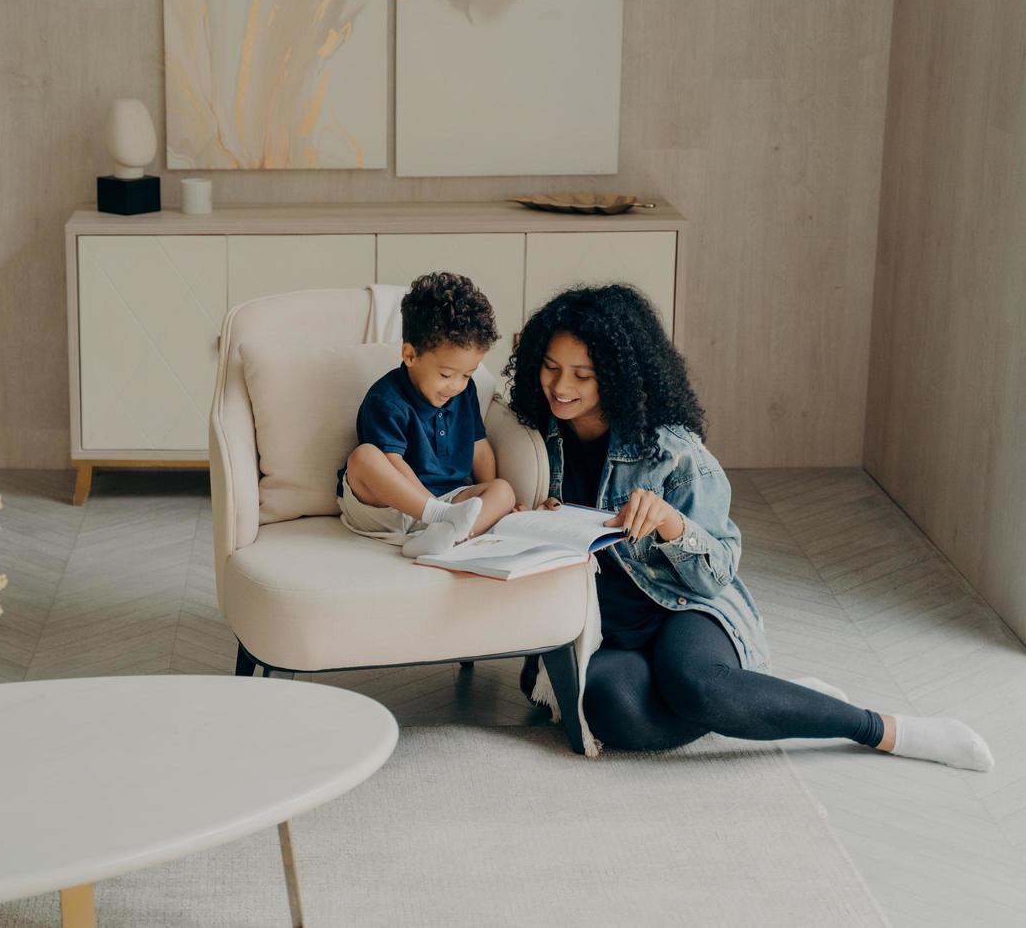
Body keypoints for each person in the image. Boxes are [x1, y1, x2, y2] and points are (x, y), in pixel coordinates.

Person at [505, 284, 993, 771]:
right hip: (600, 623)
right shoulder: (531, 441)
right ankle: (773, 700)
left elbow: (714, 576)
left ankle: (877, 728)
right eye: (551, 367)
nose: (560, 387)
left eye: (581, 375)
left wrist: (673, 526)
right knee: (611, 708)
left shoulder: (673, 453)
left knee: (697, 684)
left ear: (614, 377)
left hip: (680, 606)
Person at [338, 271, 517, 558]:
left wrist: (486, 495)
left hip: (449, 502)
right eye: (446, 374)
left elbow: (479, 450)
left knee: (504, 490)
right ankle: (443, 523)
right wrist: (431, 508)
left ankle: (452, 537)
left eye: (467, 375)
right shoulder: (386, 400)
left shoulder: (464, 391)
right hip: (388, 503)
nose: (456, 386)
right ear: (410, 355)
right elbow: (393, 465)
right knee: (365, 457)